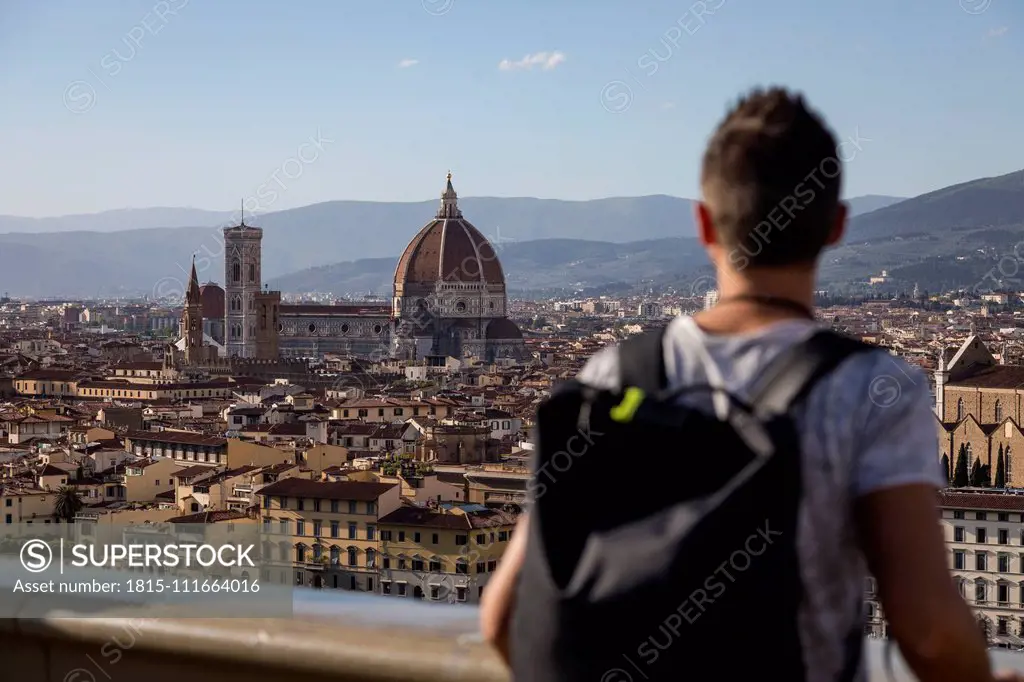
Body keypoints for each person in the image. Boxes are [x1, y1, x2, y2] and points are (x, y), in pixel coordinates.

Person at [481, 87, 1023, 682]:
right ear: (837, 226)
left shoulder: (610, 377)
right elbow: (929, 630)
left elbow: (504, 618)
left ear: (704, 222)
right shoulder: (873, 389)